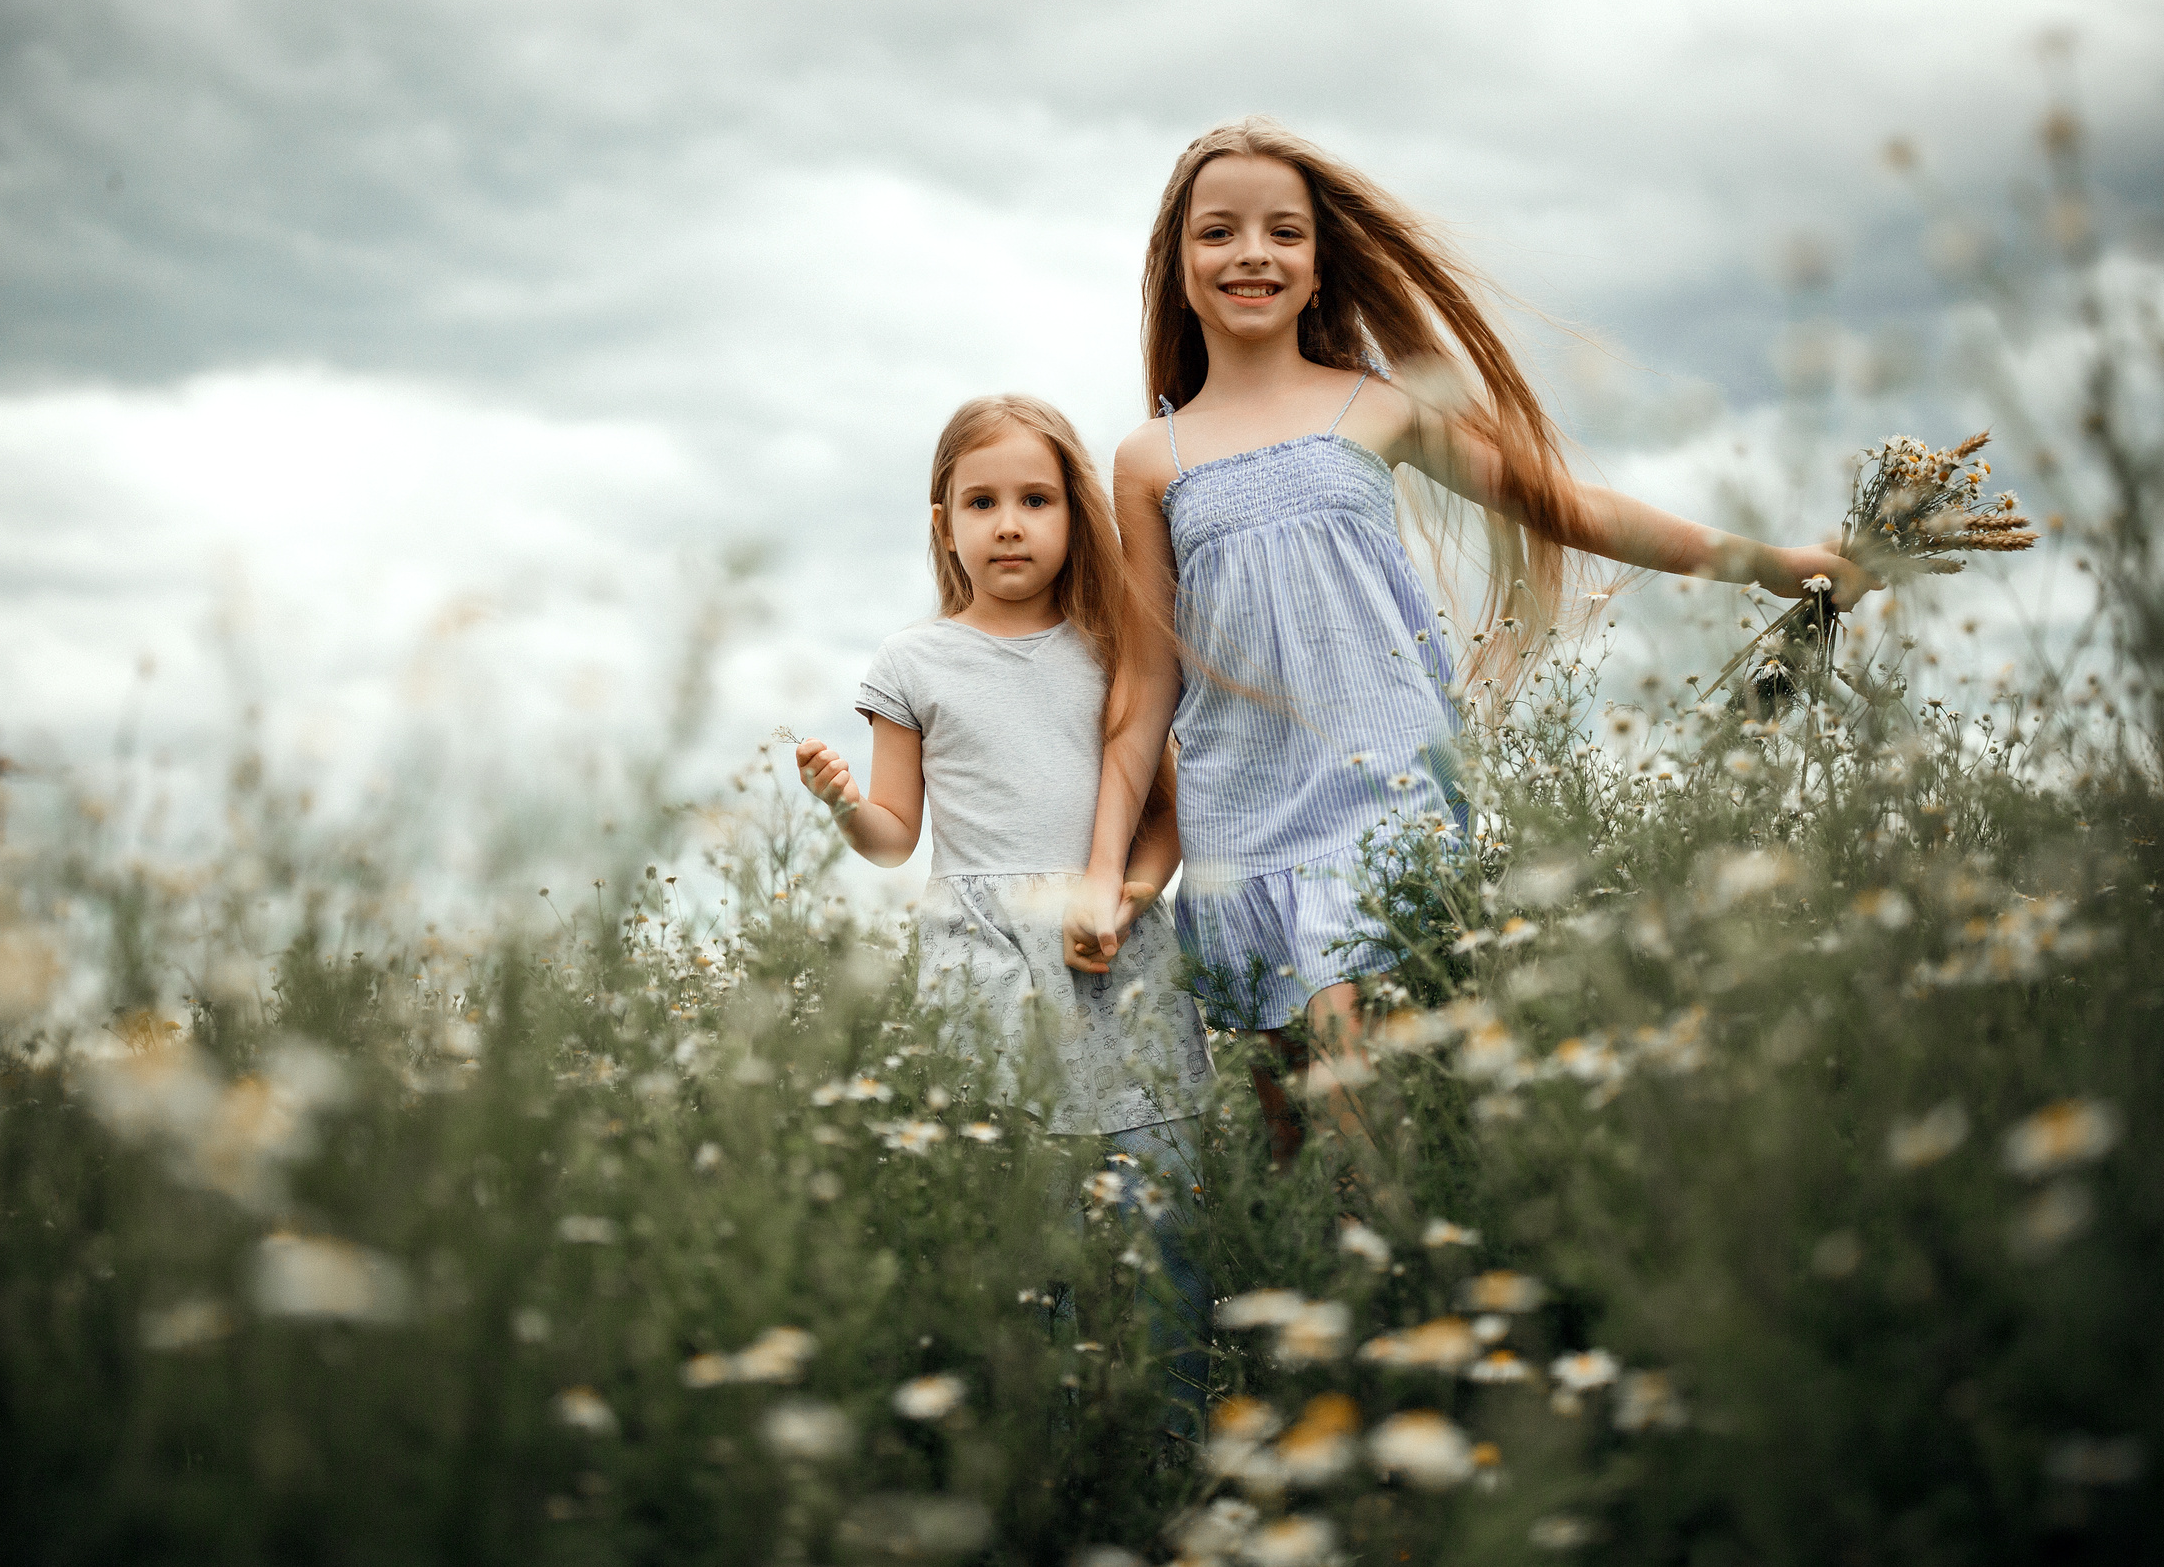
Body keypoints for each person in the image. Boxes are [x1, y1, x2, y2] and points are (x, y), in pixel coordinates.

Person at [1063, 117, 1879, 1168]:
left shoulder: (1376, 410)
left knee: (1351, 1063)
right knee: (1289, 1135)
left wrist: (1768, 561)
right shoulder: (1150, 458)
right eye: (1217, 233)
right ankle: (1343, 1310)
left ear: (1319, 270)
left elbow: (1562, 508)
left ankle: (1399, 1264)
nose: (1252, 253)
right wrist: (1101, 871)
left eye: (1283, 234)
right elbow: (1144, 680)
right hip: (1244, 819)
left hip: (1380, 789)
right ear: (1178, 271)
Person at [792, 393, 1219, 1422]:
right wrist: (847, 807)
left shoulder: (1112, 650)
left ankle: (1172, 1445)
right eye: (980, 502)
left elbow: (1163, 816)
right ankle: (1035, 1451)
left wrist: (1123, 898)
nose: (1009, 524)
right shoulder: (913, 663)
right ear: (943, 521)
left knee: (1159, 1208)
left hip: (1113, 957)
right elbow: (898, 835)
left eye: (1034, 499)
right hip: (980, 966)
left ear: (1074, 513)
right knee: (1016, 1228)